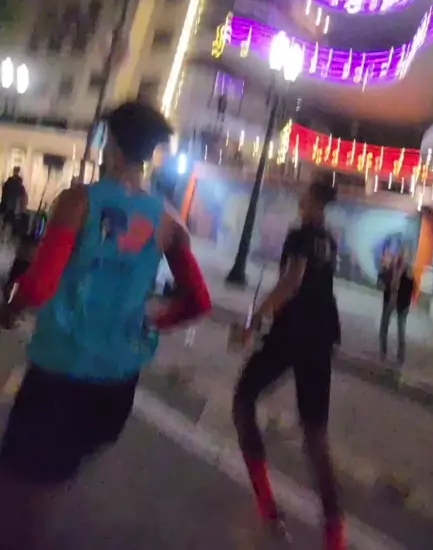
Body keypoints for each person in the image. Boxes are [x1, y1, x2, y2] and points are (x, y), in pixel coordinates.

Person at [0, 100, 212, 550]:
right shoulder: (168, 222)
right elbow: (199, 300)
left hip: (61, 374)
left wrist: (10, 308)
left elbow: (40, 284)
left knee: (19, 497)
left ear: (110, 143)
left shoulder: (79, 201)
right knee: (50, 482)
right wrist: (151, 323)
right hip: (116, 383)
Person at [232, 178, 345, 550]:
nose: (299, 197)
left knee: (243, 401)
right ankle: (335, 534)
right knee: (316, 437)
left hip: (291, 334)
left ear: (312, 199)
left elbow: (292, 281)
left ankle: (267, 505)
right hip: (322, 335)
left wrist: (254, 322)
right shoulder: (328, 240)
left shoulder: (300, 236)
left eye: (304, 193)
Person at [378, 245, 415, 366]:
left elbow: (410, 288)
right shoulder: (393, 266)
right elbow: (384, 280)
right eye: (401, 253)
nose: (401, 256)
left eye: (404, 254)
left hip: (401, 303)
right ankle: (383, 353)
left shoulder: (408, 270)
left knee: (401, 330)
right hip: (391, 299)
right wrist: (384, 269)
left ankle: (400, 357)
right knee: (384, 326)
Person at [0, 167, 28, 241]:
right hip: (13, 206)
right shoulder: (19, 185)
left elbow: (4, 194)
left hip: (8, 205)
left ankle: (4, 237)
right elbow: (23, 197)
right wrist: (22, 208)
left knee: (6, 222)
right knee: (9, 223)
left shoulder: (8, 182)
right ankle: (5, 237)